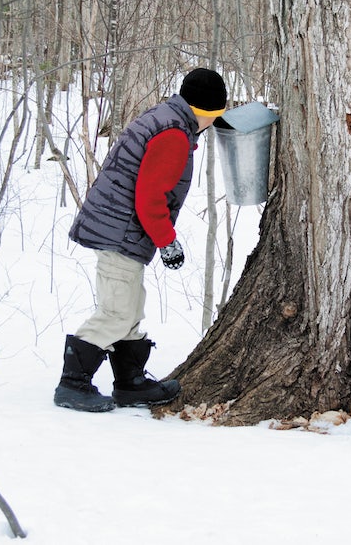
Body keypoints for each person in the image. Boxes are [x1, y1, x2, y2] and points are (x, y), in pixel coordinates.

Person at [54, 67, 228, 412]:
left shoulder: (166, 118)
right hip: (121, 232)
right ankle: (72, 384)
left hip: (120, 228)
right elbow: (149, 199)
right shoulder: (174, 136)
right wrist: (167, 242)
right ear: (206, 112)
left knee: (130, 306)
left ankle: (130, 382)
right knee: (117, 310)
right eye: (216, 116)